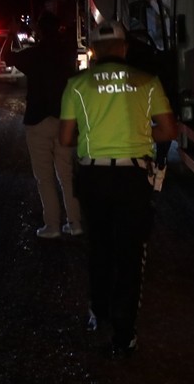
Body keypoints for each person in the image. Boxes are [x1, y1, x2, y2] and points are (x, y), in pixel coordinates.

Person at [59, 20, 179, 360]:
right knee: (129, 253)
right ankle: (124, 334)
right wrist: (139, 136)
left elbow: (66, 138)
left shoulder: (77, 84)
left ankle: (99, 312)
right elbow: (168, 130)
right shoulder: (147, 82)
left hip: (93, 177)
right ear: (125, 48)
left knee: (99, 247)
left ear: (94, 50)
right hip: (132, 178)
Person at [0, 11, 82, 240]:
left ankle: (52, 226)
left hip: (37, 120)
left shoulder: (32, 55)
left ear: (39, 31)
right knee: (67, 174)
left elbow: (5, 56)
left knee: (44, 177)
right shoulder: (67, 53)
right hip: (64, 119)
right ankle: (75, 223)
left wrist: (11, 33)